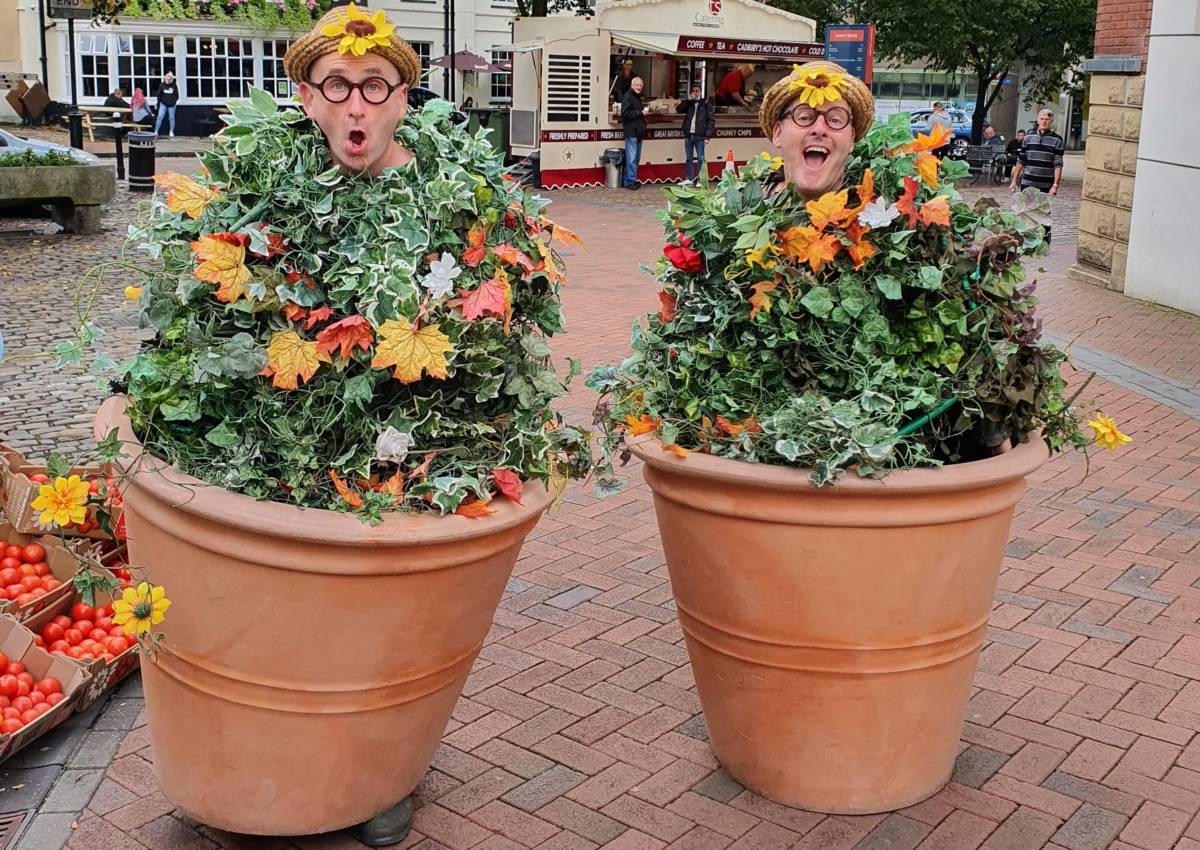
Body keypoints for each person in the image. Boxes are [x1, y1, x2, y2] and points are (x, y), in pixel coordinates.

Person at [283, 5, 419, 177]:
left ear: (401, 100)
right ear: (309, 100)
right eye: (338, 85)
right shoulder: (279, 190)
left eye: (374, 86)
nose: (356, 110)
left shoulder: (451, 197)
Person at [759, 60, 873, 200]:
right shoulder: (739, 209)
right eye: (804, 118)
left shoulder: (886, 215)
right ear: (778, 133)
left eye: (835, 120)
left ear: (851, 139)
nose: (819, 129)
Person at [676, 85, 715, 184]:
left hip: (700, 136)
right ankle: (689, 178)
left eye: (697, 91)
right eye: (693, 91)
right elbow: (679, 109)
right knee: (689, 158)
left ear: (701, 92)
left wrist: (707, 136)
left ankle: (700, 180)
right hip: (689, 135)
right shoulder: (689, 103)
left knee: (700, 158)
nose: (695, 93)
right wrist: (687, 100)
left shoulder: (706, 104)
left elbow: (711, 121)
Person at [620, 76, 648, 190]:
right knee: (631, 158)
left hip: (638, 132)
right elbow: (624, 114)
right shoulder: (628, 96)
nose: (639, 87)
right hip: (631, 131)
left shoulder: (637, 97)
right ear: (632, 85)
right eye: (637, 85)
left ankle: (631, 180)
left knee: (635, 158)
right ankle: (630, 181)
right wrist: (640, 112)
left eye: (641, 86)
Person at [153, 72, 179, 137]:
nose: (168, 80)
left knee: (171, 118)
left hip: (172, 105)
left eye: (170, 79)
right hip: (163, 104)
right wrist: (158, 103)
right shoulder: (161, 85)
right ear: (165, 78)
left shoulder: (174, 85)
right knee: (159, 117)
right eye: (167, 78)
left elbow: (176, 96)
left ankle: (171, 131)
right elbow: (159, 95)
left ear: (171, 79)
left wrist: (173, 102)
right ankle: (156, 131)